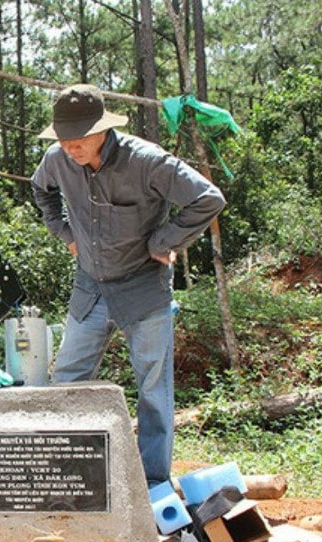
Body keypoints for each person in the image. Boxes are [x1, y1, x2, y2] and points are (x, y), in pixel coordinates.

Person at [30, 84, 225, 488]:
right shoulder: (57, 159)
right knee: (67, 378)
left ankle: (152, 482)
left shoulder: (147, 162)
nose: (71, 147)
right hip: (90, 285)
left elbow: (207, 198)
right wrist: (64, 232)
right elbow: (41, 191)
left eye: (79, 138)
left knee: (153, 386)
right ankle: (62, 474)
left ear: (103, 129)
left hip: (143, 287)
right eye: (63, 139)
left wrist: (164, 241)